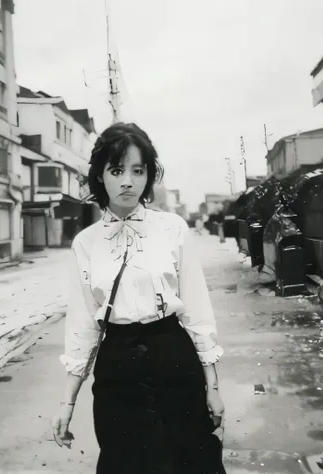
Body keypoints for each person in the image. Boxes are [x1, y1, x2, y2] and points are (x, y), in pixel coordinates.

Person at [52, 122, 226, 474]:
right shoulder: (85, 242)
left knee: (191, 460)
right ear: (100, 176)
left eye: (138, 170)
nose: (127, 181)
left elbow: (196, 311)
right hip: (118, 372)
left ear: (149, 176)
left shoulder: (172, 228)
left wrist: (213, 386)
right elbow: (84, 325)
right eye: (117, 170)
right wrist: (67, 401)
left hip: (175, 360)